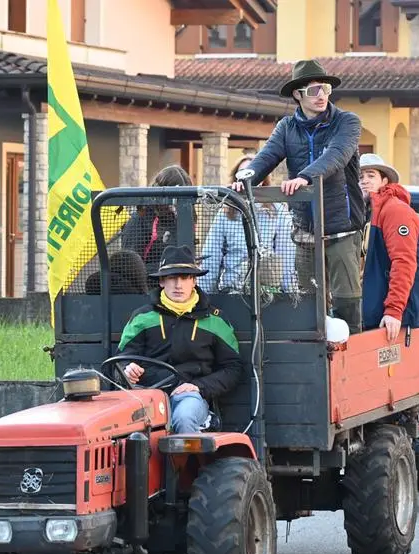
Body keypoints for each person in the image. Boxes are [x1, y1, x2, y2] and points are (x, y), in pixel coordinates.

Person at [232, 59, 366, 331]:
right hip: (305, 232)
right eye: (314, 90)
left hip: (342, 228)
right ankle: (315, 358)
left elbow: (336, 155)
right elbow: (266, 156)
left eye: (326, 89)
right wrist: (244, 179)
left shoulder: (347, 122)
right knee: (309, 302)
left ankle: (348, 357)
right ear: (298, 94)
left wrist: (305, 177)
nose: (322, 96)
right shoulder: (286, 128)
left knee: (346, 302)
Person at [117, 245, 244, 433]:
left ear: (194, 281)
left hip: (189, 397)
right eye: (172, 277)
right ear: (161, 281)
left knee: (183, 418)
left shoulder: (216, 321)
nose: (178, 284)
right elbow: (120, 361)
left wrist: (198, 386)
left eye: (185, 277)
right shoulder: (141, 318)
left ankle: (188, 458)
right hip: (144, 395)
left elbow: (233, 368)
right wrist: (127, 369)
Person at [359, 154, 419, 342]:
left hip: (404, 316)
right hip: (384, 315)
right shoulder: (365, 214)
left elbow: (403, 262)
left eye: (371, 175)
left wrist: (394, 310)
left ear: (385, 180)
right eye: (360, 177)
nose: (364, 181)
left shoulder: (395, 210)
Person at [201, 154, 298, 293]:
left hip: (267, 292)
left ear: (263, 179)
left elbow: (286, 259)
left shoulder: (279, 213)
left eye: (252, 176)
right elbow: (211, 257)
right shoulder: (224, 214)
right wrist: (205, 296)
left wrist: (288, 296)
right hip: (232, 291)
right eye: (242, 176)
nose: (247, 181)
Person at [121, 165, 190, 273]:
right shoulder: (139, 219)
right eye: (174, 200)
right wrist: (166, 267)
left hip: (176, 283)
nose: (175, 206)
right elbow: (129, 267)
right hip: (147, 285)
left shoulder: (181, 220)